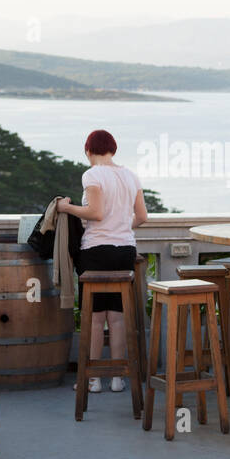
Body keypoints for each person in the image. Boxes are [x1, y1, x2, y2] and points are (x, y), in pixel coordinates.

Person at [57, 129, 147, 394]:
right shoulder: (131, 175)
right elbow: (141, 216)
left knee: (95, 318)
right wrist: (120, 226)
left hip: (97, 251)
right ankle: (118, 379)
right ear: (113, 150)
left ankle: (93, 379)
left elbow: (94, 213)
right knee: (117, 317)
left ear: (88, 151)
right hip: (125, 251)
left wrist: (66, 208)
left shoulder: (92, 174)